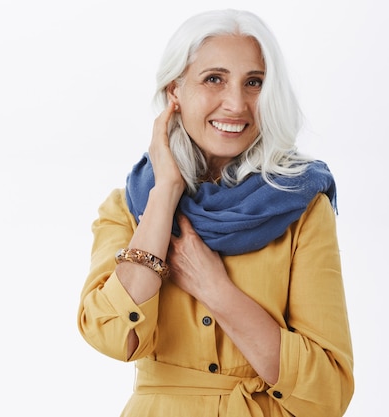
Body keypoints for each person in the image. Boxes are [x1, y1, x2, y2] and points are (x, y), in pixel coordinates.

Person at [77, 9, 354, 417]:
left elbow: (328, 393)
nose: (237, 103)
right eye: (214, 79)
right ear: (175, 91)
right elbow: (114, 336)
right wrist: (165, 192)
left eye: (254, 83)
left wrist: (215, 290)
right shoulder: (128, 208)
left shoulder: (302, 206)